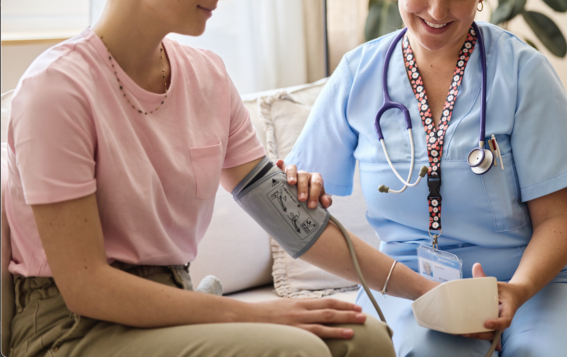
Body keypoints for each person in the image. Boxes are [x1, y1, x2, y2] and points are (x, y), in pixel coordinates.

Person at [3, 0, 457, 356]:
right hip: (71, 331)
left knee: (370, 340)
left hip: (174, 302)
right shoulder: (56, 90)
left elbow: (296, 225)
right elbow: (85, 287)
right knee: (296, 351)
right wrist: (254, 315)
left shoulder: (207, 77)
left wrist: (428, 292)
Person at [284, 0, 567, 356]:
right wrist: (299, 184)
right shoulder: (357, 74)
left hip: (540, 281)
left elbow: (558, 217)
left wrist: (518, 289)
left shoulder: (523, 70)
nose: (438, 11)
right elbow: (298, 200)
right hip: (405, 282)